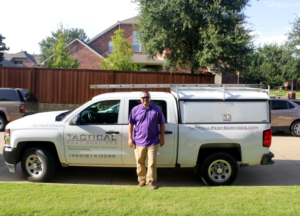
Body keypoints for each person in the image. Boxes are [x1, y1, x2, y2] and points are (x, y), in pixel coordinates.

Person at [128, 91, 165, 189]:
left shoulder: (157, 109)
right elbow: (131, 124)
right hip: (139, 141)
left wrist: (162, 138)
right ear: (140, 99)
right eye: (143, 98)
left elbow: (162, 123)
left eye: (147, 97)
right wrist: (130, 138)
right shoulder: (135, 110)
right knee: (140, 162)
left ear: (150, 98)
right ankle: (141, 180)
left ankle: (150, 182)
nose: (145, 99)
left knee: (152, 162)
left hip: (153, 141)